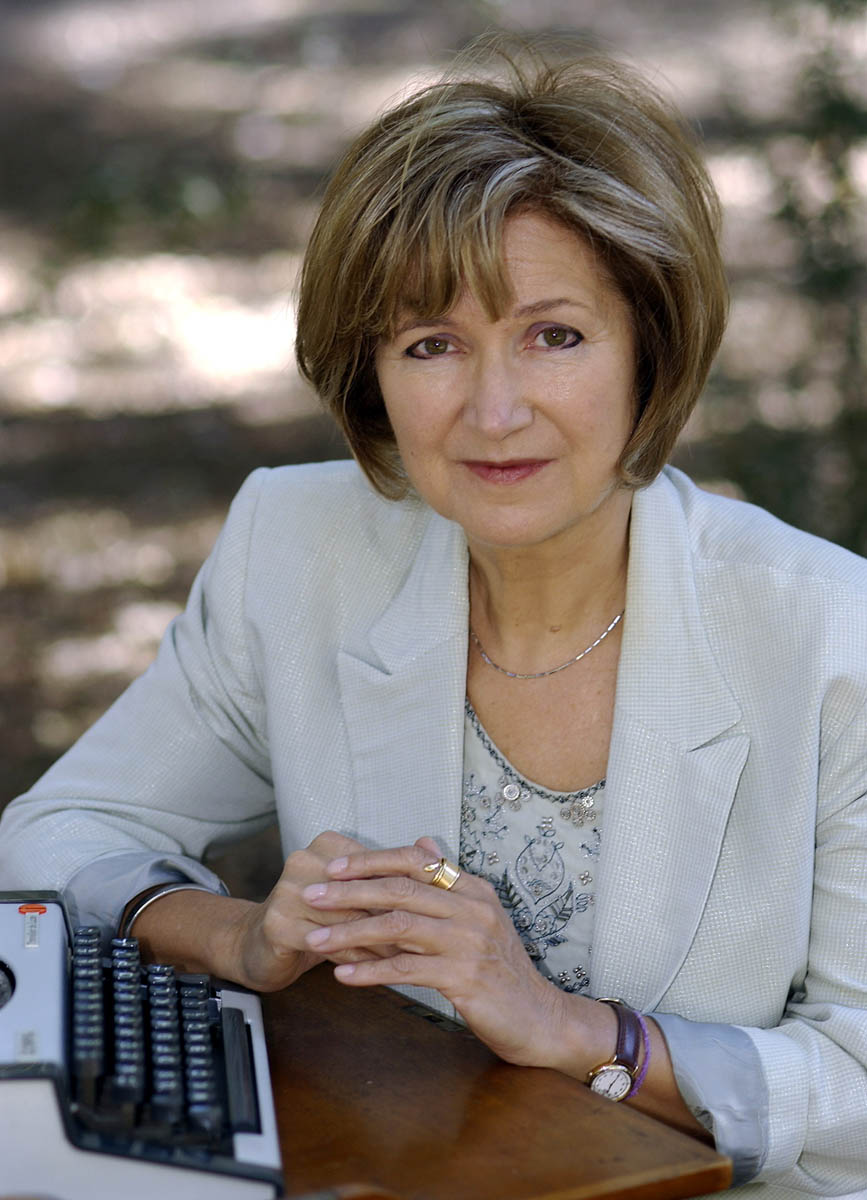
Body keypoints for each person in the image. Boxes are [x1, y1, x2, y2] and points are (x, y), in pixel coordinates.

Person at [2, 42, 866, 1199]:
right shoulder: (297, 546)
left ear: (647, 353)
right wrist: (240, 936)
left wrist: (577, 1032)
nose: (493, 408)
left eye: (554, 335)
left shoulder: (831, 637)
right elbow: (57, 835)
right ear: (373, 378)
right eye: (433, 345)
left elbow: (856, 1081)